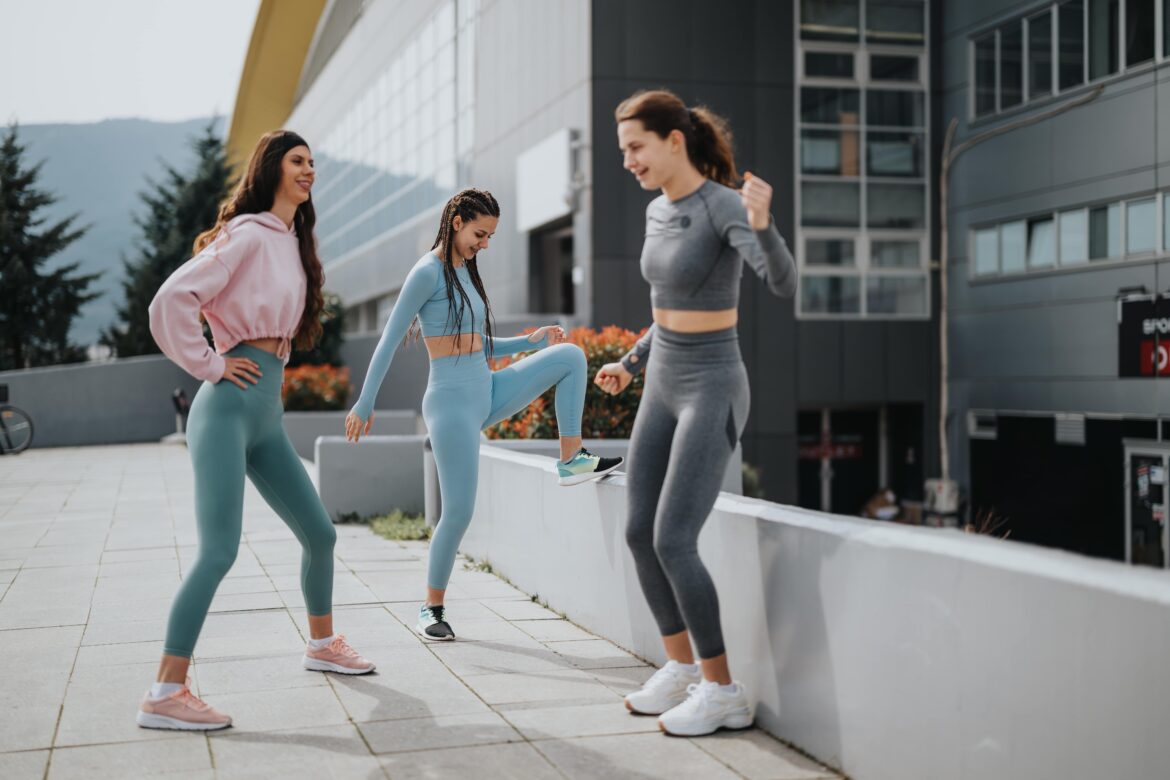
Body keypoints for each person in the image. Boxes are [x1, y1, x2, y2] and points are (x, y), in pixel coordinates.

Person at [140, 130, 375, 732]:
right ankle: (166, 690)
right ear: (271, 169)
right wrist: (212, 365)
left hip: (265, 415)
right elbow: (171, 300)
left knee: (320, 536)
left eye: (313, 162)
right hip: (226, 411)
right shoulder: (246, 234)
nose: (310, 170)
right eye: (298, 161)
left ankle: (321, 645)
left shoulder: (293, 242)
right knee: (219, 551)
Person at [594, 90, 796, 737]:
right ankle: (681, 667)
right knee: (637, 531)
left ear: (673, 141)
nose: (627, 160)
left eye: (635, 147)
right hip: (662, 379)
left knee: (673, 537)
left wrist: (764, 224)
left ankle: (723, 689)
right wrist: (630, 362)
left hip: (712, 382)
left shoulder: (723, 206)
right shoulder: (659, 211)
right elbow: (666, 308)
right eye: (623, 148)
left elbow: (782, 282)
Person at [345, 188, 622, 642]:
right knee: (459, 510)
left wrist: (528, 343)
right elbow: (390, 340)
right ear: (456, 221)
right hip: (450, 403)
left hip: (488, 388)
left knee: (570, 357)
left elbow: (475, 344)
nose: (484, 244)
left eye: (490, 236)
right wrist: (365, 401)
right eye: (480, 234)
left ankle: (571, 459)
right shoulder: (426, 273)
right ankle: (430, 609)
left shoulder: (465, 271)